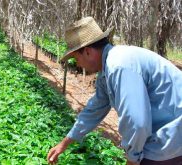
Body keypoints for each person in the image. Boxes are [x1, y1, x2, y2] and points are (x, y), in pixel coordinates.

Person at [47, 17, 182, 165]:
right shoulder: (107, 71)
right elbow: (94, 110)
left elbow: (136, 122)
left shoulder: (119, 65)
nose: (77, 64)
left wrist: (132, 158)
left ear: (87, 52)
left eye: (75, 58)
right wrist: (64, 143)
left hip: (172, 134)